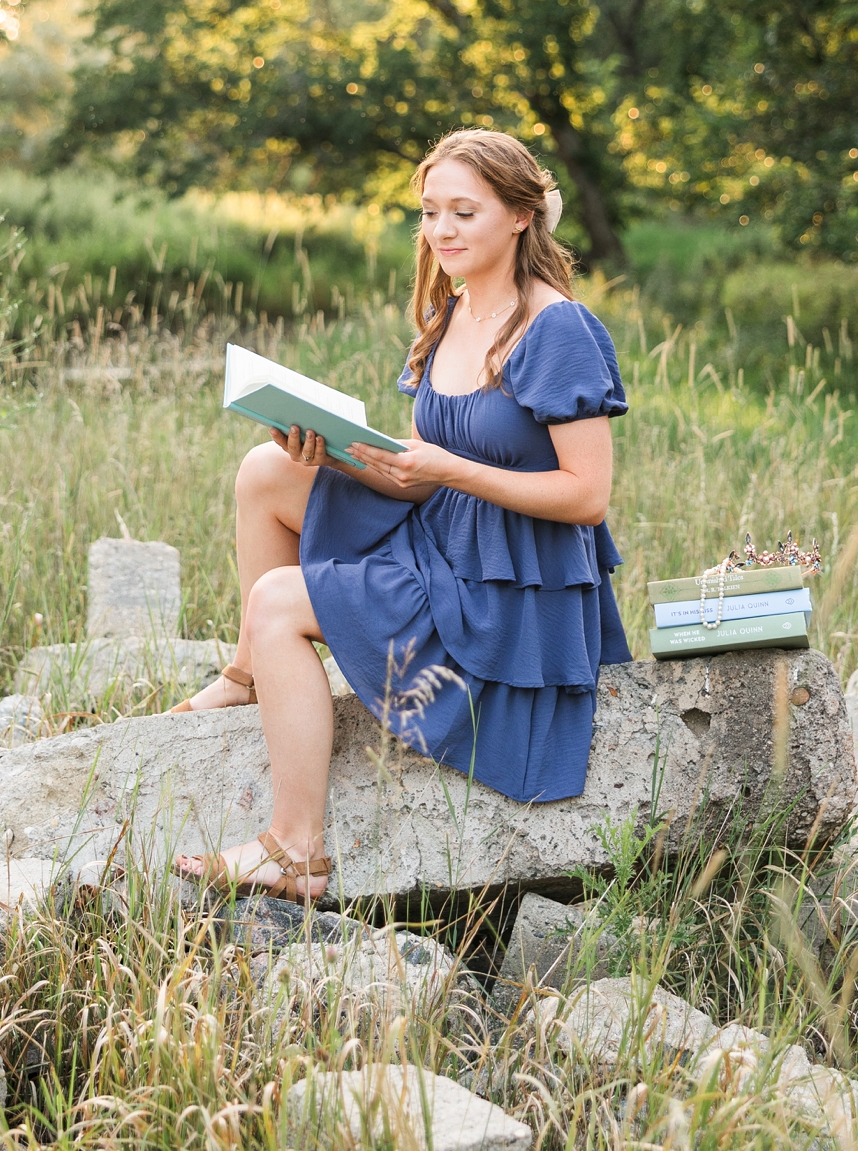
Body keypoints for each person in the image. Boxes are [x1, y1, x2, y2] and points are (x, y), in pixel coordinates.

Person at [173, 128, 631, 902]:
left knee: (279, 601)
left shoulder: (559, 328)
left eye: (464, 211)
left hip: (512, 588)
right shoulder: (452, 314)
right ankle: (248, 674)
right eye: (429, 212)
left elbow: (586, 496)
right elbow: (421, 473)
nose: (442, 230)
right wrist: (342, 455)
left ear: (521, 216)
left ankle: (296, 852)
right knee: (268, 470)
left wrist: (447, 467)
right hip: (446, 534)